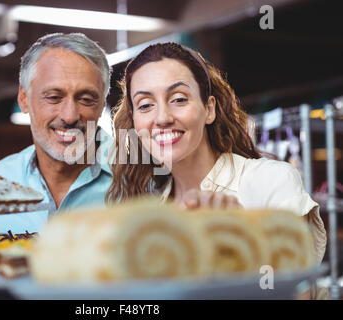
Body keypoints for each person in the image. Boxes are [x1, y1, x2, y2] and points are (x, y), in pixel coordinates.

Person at [106, 42, 327, 298]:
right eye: (145, 105)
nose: (162, 117)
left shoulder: (270, 181)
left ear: (209, 109)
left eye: (178, 99)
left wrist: (237, 244)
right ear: (134, 122)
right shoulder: (152, 210)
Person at [0, 33, 113, 234]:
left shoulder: (139, 180)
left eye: (86, 99)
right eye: (54, 97)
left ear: (101, 106)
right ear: (24, 99)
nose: (70, 116)